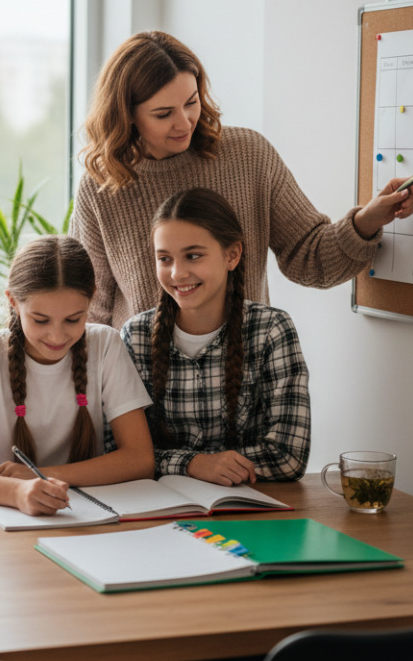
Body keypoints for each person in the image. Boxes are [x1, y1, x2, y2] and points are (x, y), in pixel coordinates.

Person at [72, 30, 413, 328]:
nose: (184, 122)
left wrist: (367, 220)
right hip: (140, 394)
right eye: (164, 113)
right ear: (127, 115)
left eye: (192, 102)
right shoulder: (102, 186)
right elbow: (90, 308)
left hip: (243, 380)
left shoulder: (247, 155)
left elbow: (309, 256)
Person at [0, 235, 155, 515]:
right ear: (13, 301)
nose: (57, 336)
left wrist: (40, 475)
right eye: (40, 320)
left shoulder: (105, 344)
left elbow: (140, 458)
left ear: (92, 297)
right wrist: (18, 492)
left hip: (78, 511)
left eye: (73, 319)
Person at [121, 187, 310, 485]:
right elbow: (120, 453)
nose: (177, 273)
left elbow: (288, 456)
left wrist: (204, 465)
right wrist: (194, 464)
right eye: (165, 259)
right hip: (161, 511)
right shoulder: (135, 337)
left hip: (252, 513)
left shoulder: (272, 329)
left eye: (193, 256)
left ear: (232, 255)